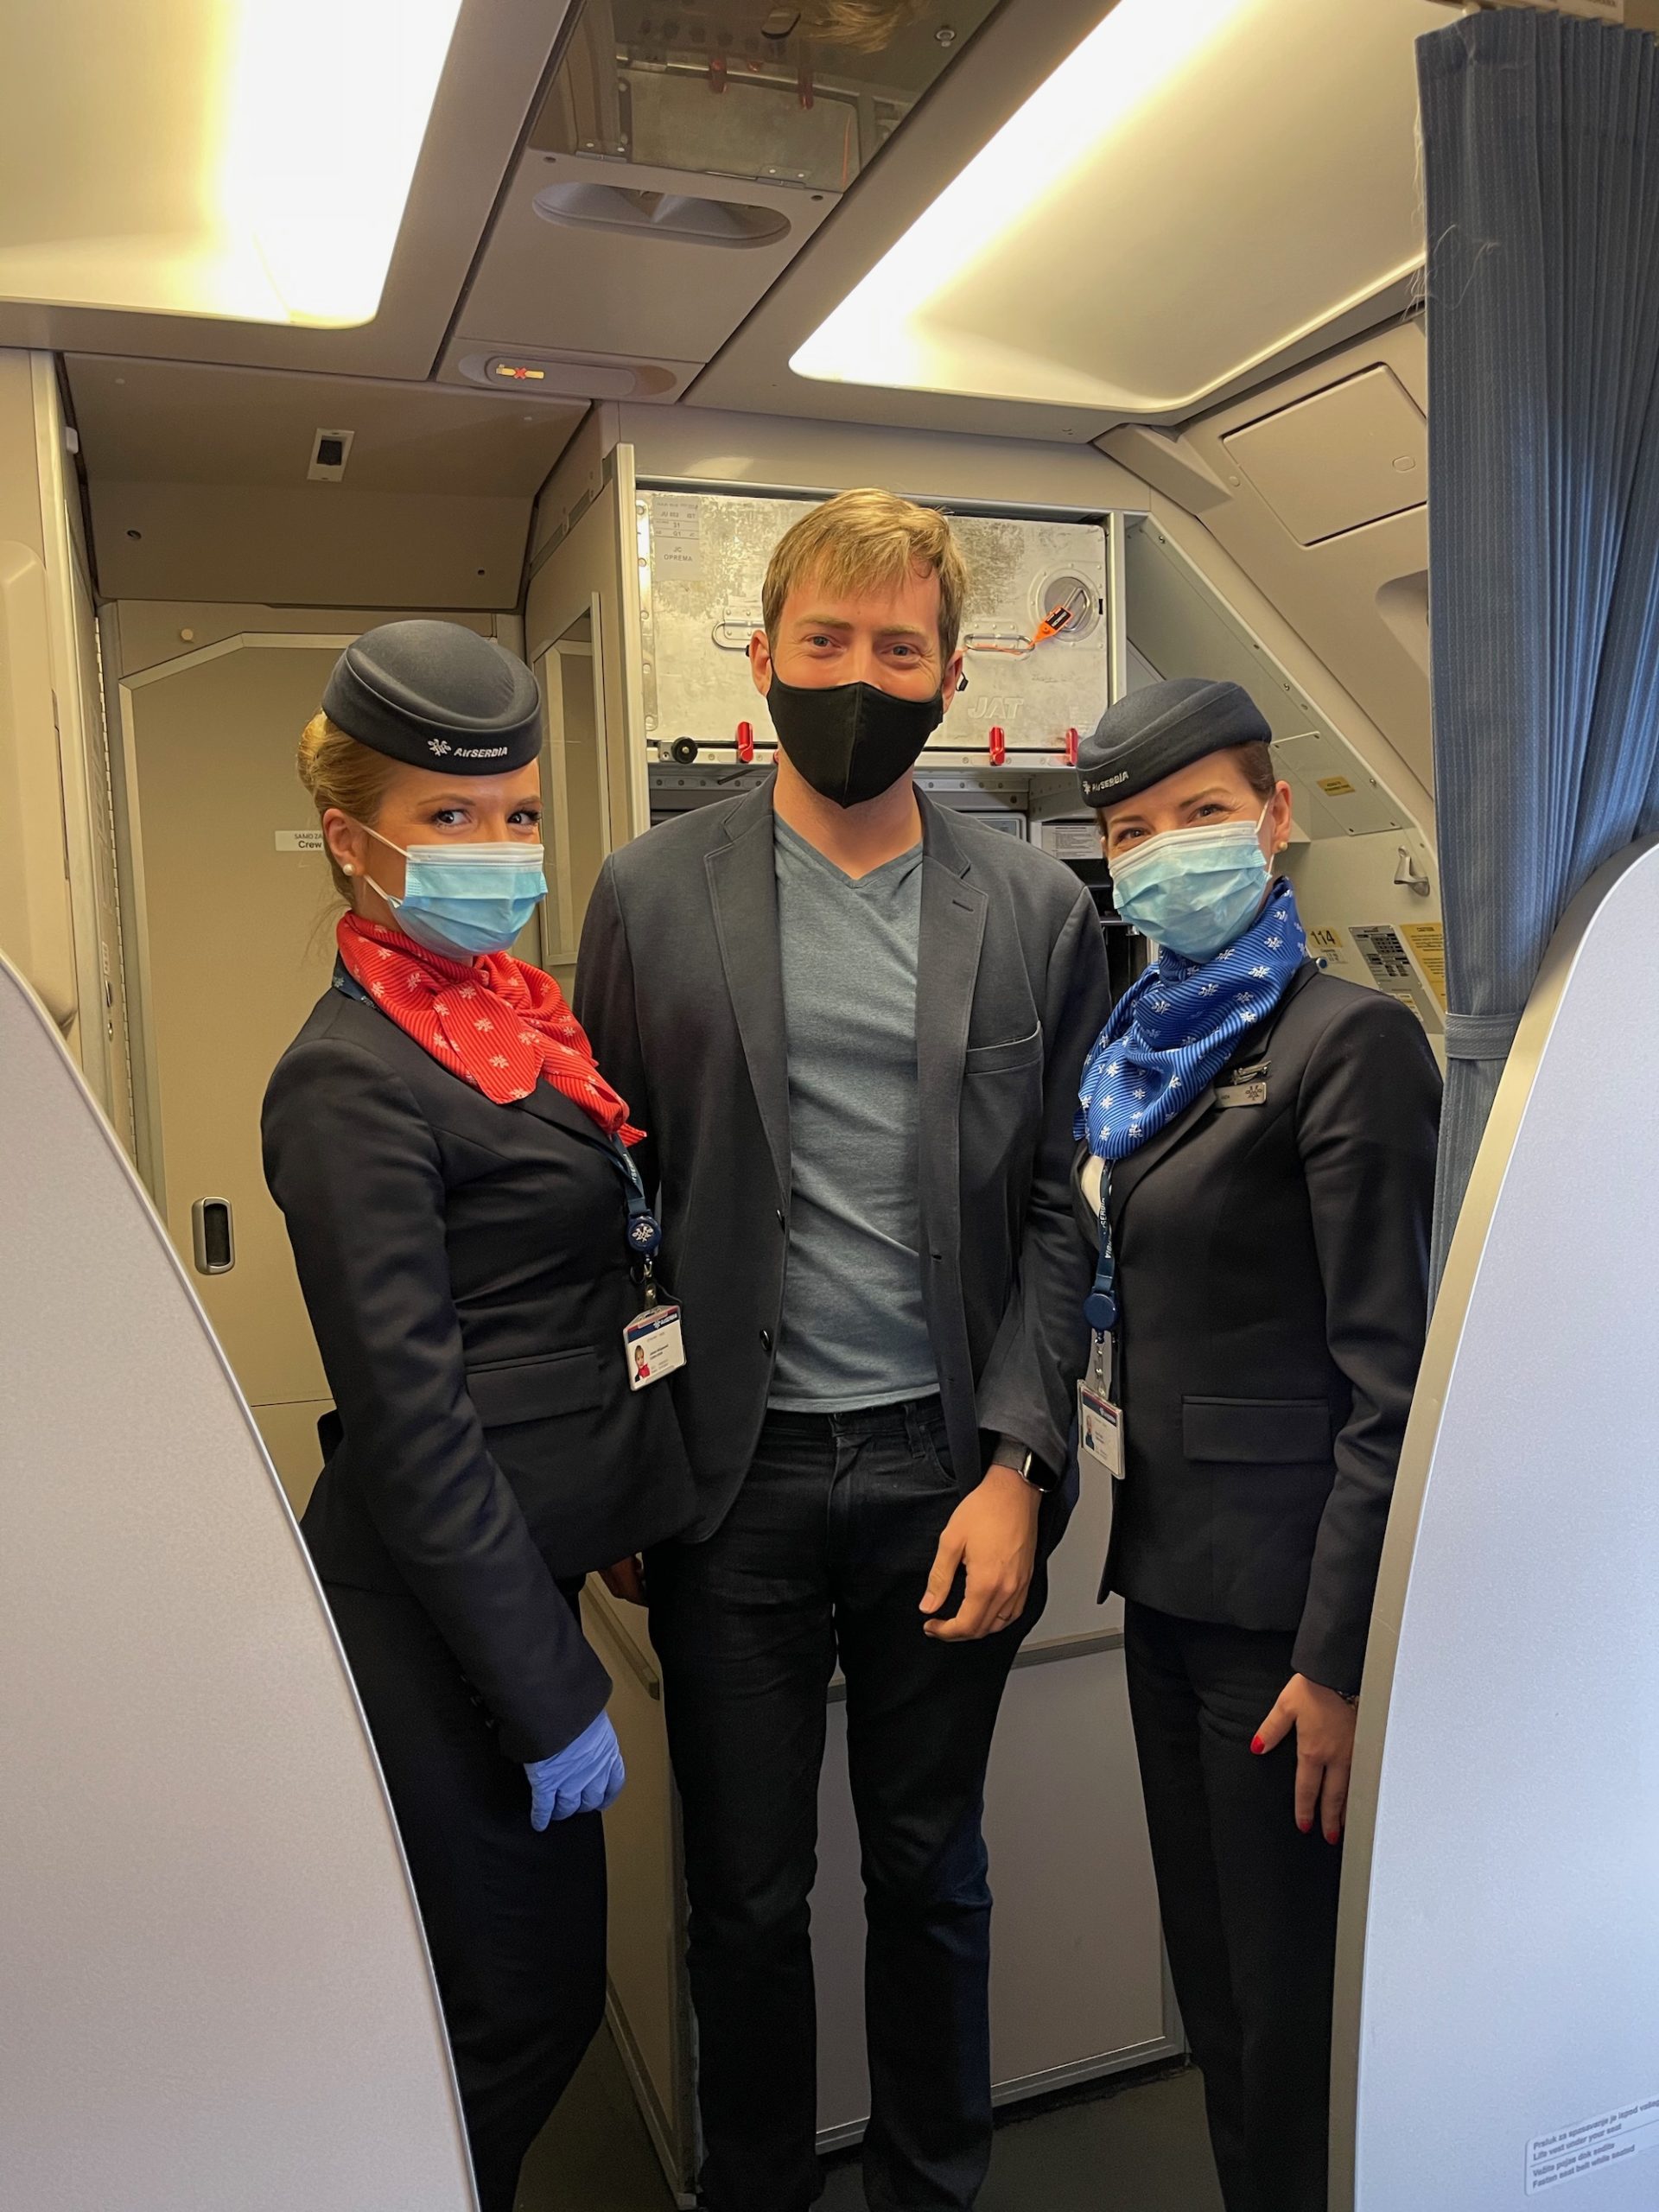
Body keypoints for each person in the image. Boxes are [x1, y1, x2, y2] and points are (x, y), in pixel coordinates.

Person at [575, 487, 1114, 2212]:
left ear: (952, 674)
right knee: (740, 1891)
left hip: (944, 1466)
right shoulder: (652, 892)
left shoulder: (1031, 907)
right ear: (765, 653)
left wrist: (1024, 1461)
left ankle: (927, 2185)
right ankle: (753, 2186)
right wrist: (638, 1462)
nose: (859, 674)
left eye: (897, 646)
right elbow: (614, 1195)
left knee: (931, 1872)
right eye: (827, 639)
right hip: (732, 1478)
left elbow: (1059, 1201)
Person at [261, 620, 696, 2212]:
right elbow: (418, 1422)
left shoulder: (513, 1014)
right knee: (508, 2017)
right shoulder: (351, 1081)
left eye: (516, 813)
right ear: (351, 838)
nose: (500, 849)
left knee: (508, 2008)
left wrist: (627, 1519)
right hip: (435, 1616)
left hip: (520, 1575)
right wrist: (551, 1694)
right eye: (450, 819)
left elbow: (573, 1303)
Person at [1071, 677, 1441, 2212]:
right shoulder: (1133, 1049)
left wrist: (1341, 1659)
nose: (1169, 852)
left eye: (1203, 815)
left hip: (1284, 1625)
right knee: (1218, 1992)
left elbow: (1390, 1380)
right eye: (1135, 832)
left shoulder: (1346, 1044)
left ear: (1276, 821)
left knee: (1286, 2021)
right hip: (1167, 1586)